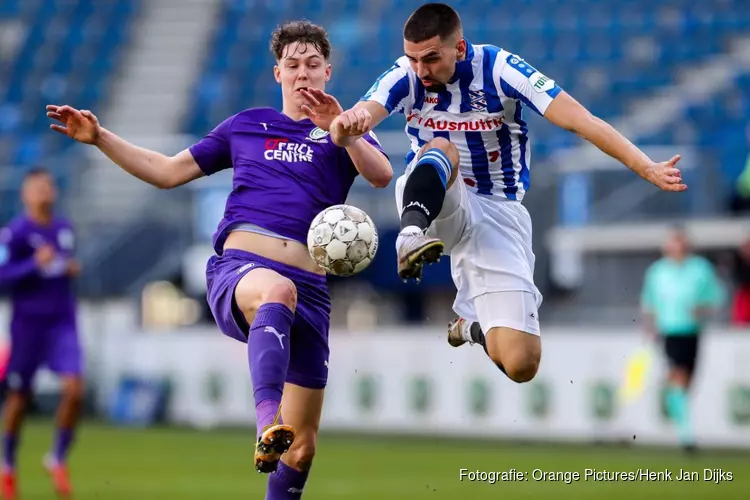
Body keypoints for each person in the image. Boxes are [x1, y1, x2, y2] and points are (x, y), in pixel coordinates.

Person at [46, 20, 392, 499]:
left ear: (327, 71)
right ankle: (266, 420)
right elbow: (168, 172)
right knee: (277, 291)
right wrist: (101, 137)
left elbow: (381, 176)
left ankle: (278, 443)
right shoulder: (246, 126)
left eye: (312, 64)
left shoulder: (344, 127)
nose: (303, 74)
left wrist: (345, 134)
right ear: (278, 74)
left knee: (302, 449)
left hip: (311, 287)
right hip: (242, 272)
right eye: (292, 65)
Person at [319, 2, 686, 384]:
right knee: (441, 149)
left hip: (498, 212)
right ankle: (410, 237)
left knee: (522, 364)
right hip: (434, 200)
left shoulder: (500, 69)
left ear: (459, 49)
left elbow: (582, 121)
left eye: (430, 58)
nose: (421, 70)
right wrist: (347, 126)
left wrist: (645, 165)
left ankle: (471, 327)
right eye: (413, 59)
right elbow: (364, 112)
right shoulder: (406, 74)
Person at [0, 168, 83, 499]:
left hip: (63, 321)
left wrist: (68, 267)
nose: (44, 191)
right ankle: (7, 463)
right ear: (25, 194)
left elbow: (62, 265)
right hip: (28, 325)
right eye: (37, 187)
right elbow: (3, 277)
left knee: (74, 390)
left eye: (48, 185)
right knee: (20, 399)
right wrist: (34, 264)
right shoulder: (14, 233)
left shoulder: (64, 229)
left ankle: (57, 457)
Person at [641, 227, 725, 451]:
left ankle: (672, 397)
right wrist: (649, 327)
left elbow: (716, 298)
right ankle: (686, 436)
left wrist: (702, 309)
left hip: (692, 331)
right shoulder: (657, 272)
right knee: (678, 375)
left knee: (686, 383)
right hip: (669, 331)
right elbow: (649, 303)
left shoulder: (701, 269)